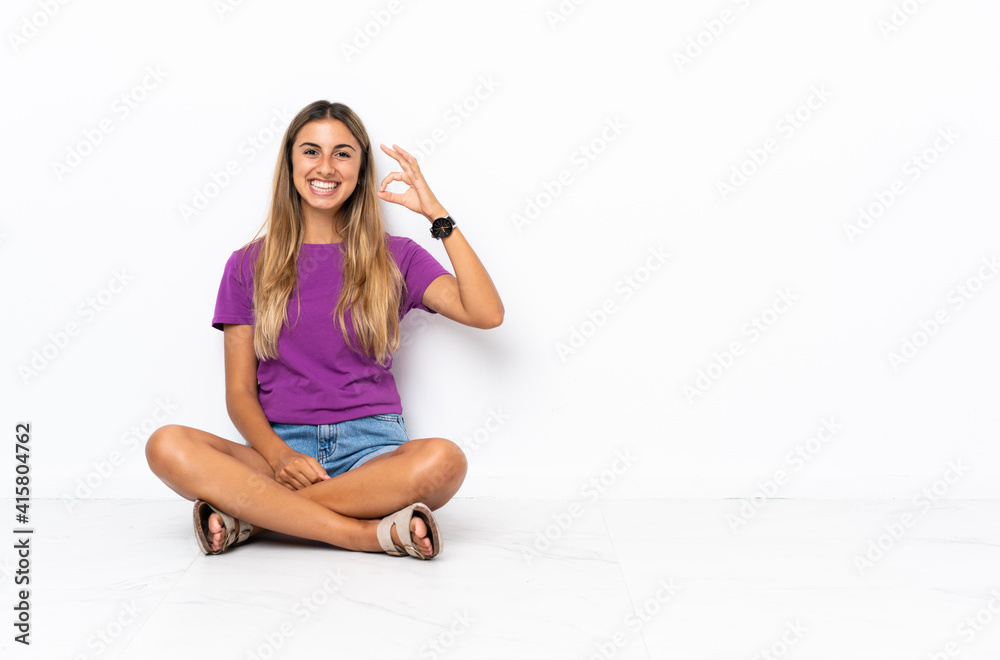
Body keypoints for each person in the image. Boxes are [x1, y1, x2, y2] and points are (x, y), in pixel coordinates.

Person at [145, 100, 503, 560]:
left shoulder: (397, 256)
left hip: (372, 453)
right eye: (311, 151)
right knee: (168, 445)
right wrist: (279, 457)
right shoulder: (247, 265)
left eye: (343, 154)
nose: (326, 167)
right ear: (291, 164)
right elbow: (239, 392)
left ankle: (251, 518)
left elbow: (486, 312)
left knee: (444, 462)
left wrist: (436, 214)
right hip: (280, 450)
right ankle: (361, 533)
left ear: (360, 169)